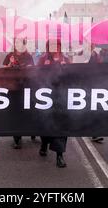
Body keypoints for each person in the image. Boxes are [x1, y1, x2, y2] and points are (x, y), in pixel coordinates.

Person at [38, 39, 70, 168]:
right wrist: (43, 67)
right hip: (46, 95)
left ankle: (59, 155)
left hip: (61, 96)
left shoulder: (66, 59)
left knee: (61, 126)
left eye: (56, 46)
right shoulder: (42, 59)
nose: (54, 48)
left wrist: (62, 65)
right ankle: (44, 142)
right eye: (51, 46)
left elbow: (72, 75)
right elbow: (36, 76)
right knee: (45, 123)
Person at [3, 38, 35, 149]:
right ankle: (17, 138)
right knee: (15, 113)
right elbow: (3, 71)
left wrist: (27, 68)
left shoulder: (28, 56)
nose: (18, 44)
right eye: (16, 42)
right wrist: (9, 65)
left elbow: (32, 71)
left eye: (20, 42)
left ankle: (32, 131)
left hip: (25, 88)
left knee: (27, 111)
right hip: (13, 89)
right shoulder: (9, 56)